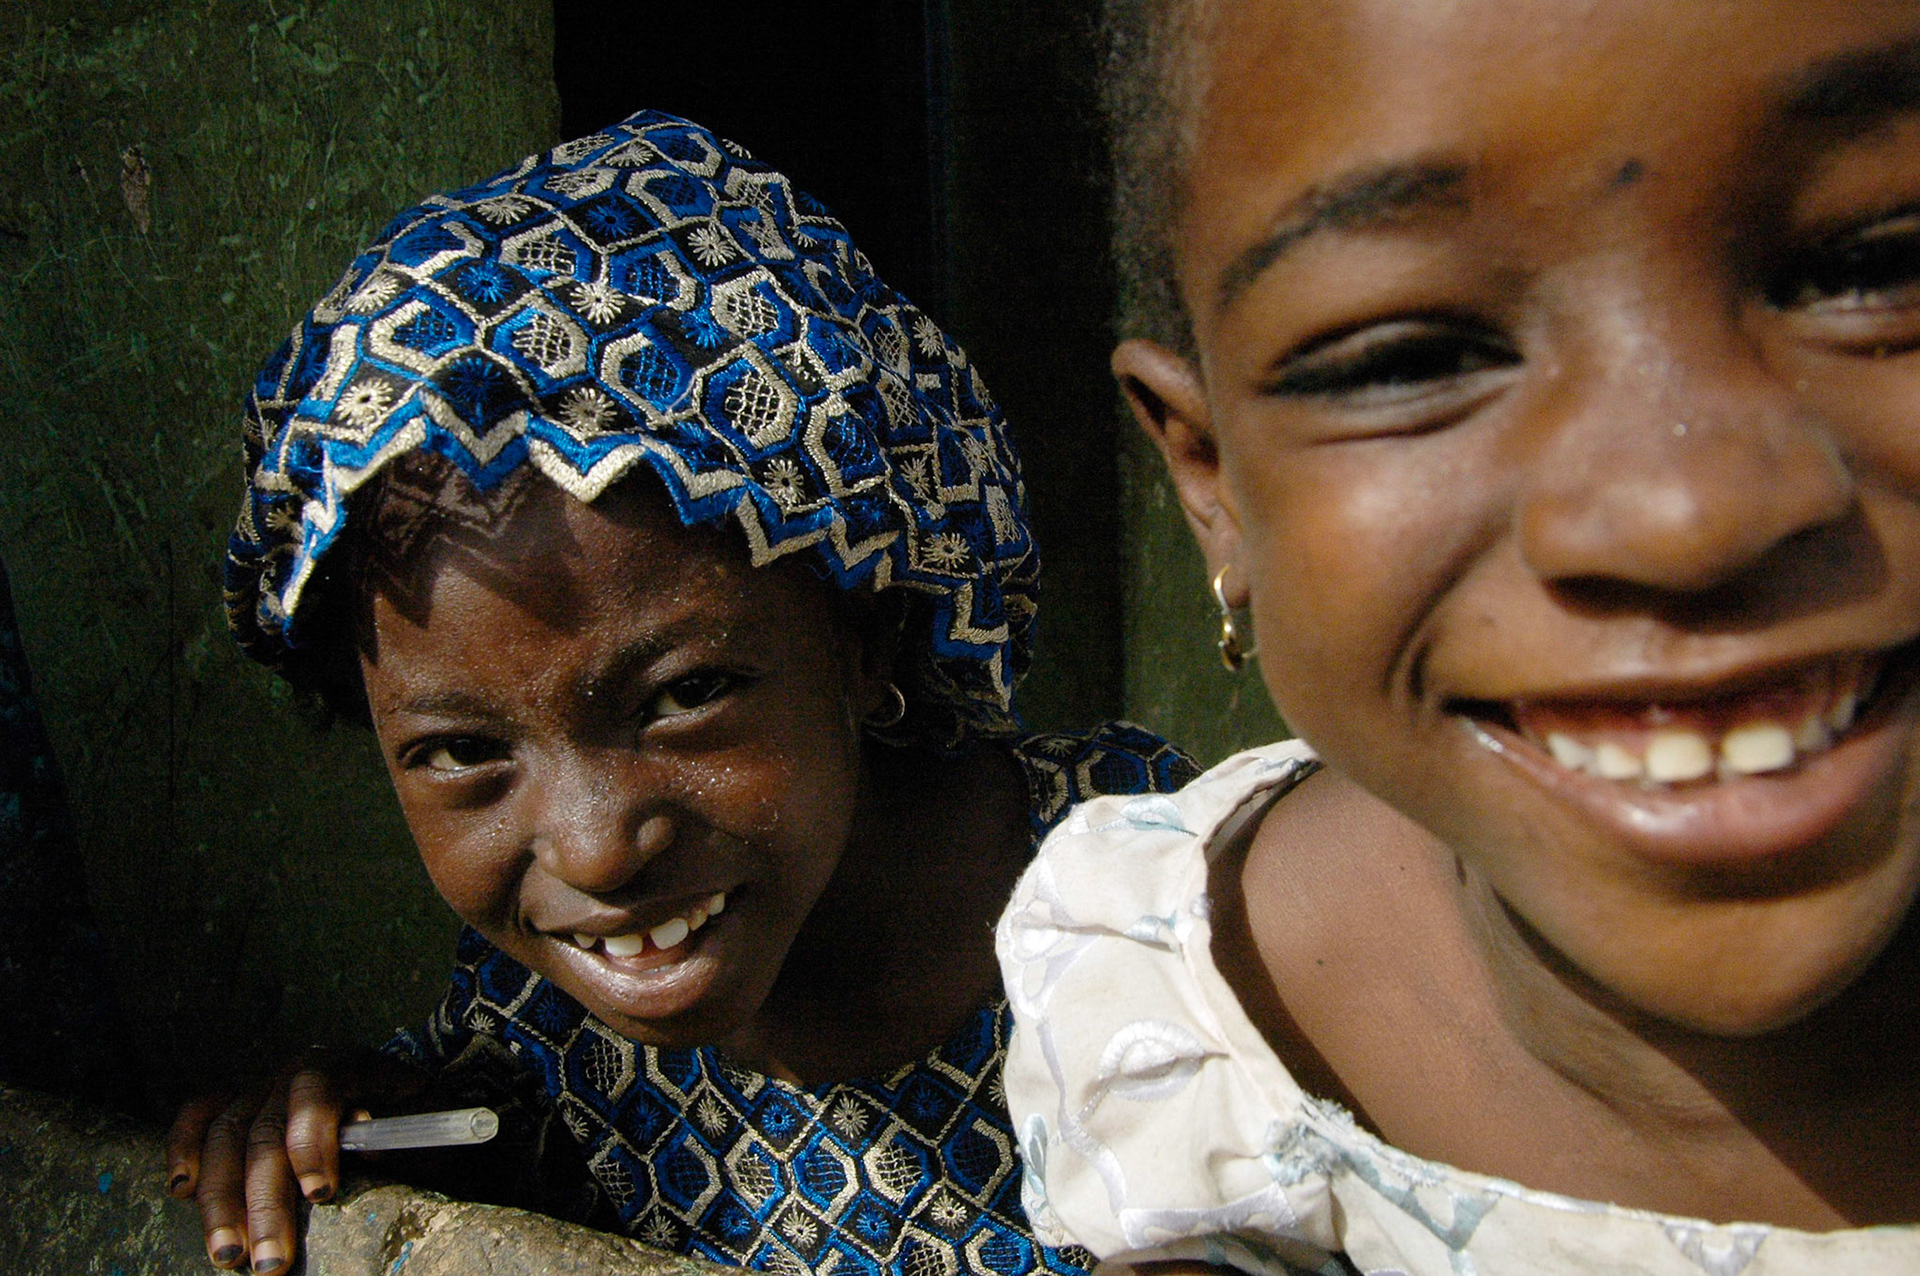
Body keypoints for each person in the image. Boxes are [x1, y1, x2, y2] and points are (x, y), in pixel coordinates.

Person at [165, 110, 1197, 1276]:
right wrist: (359, 1127)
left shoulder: (1164, 907)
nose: (596, 850)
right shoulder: (540, 1038)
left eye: (686, 692)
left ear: (865, 634)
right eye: (461, 751)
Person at [996, 2, 1920, 1272]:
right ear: (1214, 480)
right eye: (1407, 358)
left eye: (1876, 270)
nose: (1685, 517)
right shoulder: (1197, 1019)